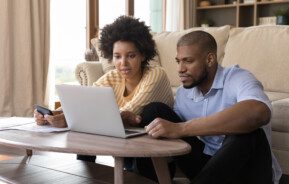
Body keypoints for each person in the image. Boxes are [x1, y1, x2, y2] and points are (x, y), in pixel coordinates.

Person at [34, 16, 175, 181]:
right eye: (117, 56)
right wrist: (52, 114)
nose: (123, 63)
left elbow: (130, 110)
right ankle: (85, 176)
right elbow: (84, 101)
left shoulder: (156, 74)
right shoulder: (113, 77)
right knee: (88, 122)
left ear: (143, 55)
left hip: (156, 161)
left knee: (90, 120)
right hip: (128, 148)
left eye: (131, 56)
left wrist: (70, 119)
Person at [140, 30, 281, 184]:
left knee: (250, 133)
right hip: (208, 168)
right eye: (178, 61)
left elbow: (258, 112)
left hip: (246, 173)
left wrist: (182, 128)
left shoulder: (237, 78)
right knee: (154, 110)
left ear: (210, 59)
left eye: (188, 61)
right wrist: (134, 119)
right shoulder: (183, 93)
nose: (180, 69)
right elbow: (172, 133)